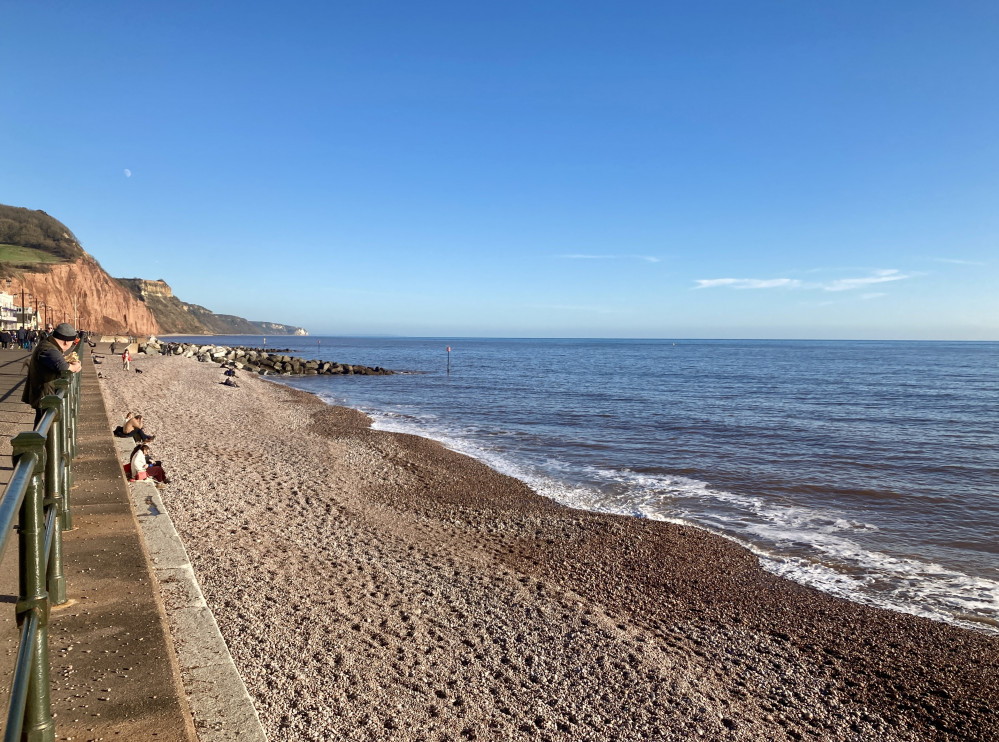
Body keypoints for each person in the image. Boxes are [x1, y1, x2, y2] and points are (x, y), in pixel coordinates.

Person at [22, 322, 82, 426]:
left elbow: (58, 362)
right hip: (44, 396)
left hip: (45, 394)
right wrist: (75, 367)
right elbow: (62, 366)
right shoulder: (49, 349)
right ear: (66, 342)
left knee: (43, 424)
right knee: (43, 426)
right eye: (72, 343)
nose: (71, 346)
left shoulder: (48, 344)